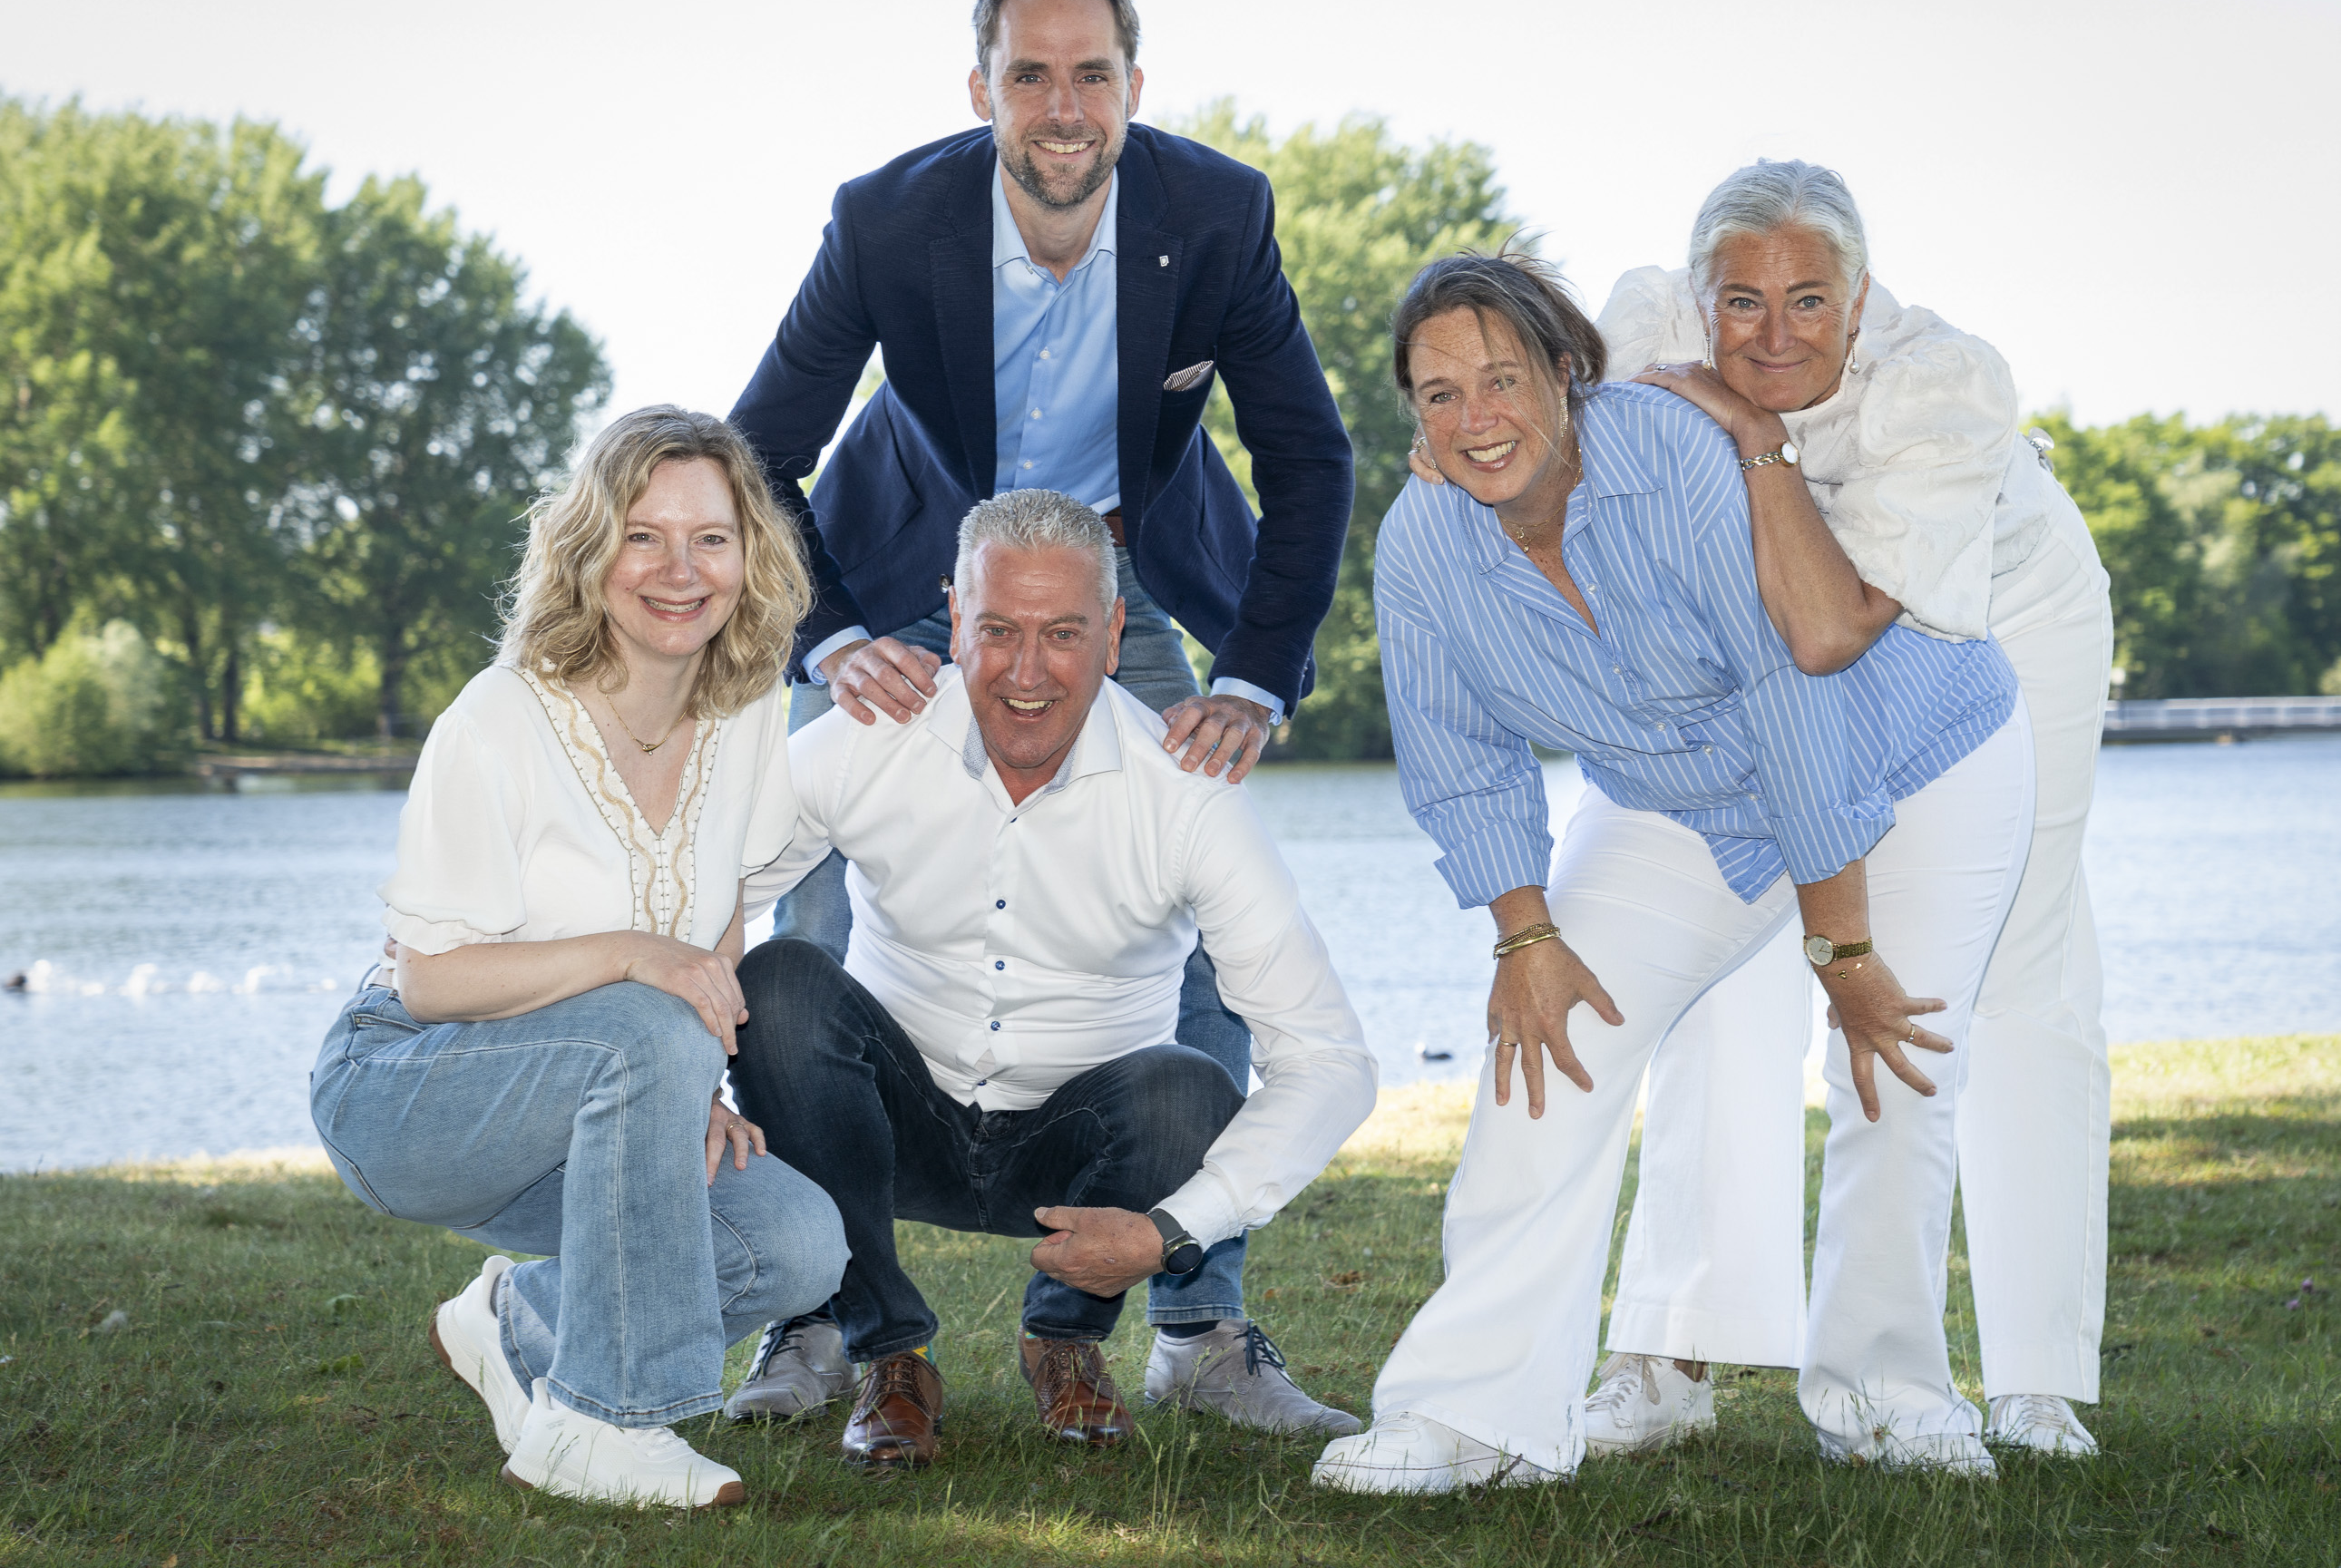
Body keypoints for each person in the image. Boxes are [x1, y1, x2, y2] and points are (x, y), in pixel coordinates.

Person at [723, 0, 1355, 1423]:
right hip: (911, 597)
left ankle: (1199, 1333)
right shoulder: (889, 221)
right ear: (981, 89)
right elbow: (757, 448)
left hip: (1111, 590)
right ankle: (825, 1325)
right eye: (1030, 74)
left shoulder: (1216, 214)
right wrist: (824, 641)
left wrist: (1256, 675)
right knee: (807, 938)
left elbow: (1310, 457)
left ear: (1134, 88)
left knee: (1199, 951)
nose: (1061, 108)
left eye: (1090, 74)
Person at [1313, 253, 2032, 1494]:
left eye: (1500, 378)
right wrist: (1526, 942)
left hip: (1907, 752)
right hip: (1682, 803)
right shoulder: (1423, 544)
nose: (1474, 418)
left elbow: (1786, 694)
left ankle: (1886, 1399)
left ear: (1566, 375)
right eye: (1437, 395)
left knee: (1892, 1066)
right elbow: (1462, 761)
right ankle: (1476, 1420)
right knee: (1546, 1054)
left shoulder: (1666, 457)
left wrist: (1843, 956)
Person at [1578, 159, 2114, 1457]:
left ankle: (1994, 1376)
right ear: (1698, 301)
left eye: (1808, 302)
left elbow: (1848, 624)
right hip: (1763, 636)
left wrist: (1749, 441)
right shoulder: (1637, 335)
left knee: (1994, 974)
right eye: (1741, 305)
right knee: (1716, 965)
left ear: (1861, 299)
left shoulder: (1944, 383)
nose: (1770, 336)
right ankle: (1674, 1348)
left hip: (1989, 623)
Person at [728, 490, 1379, 1469]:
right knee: (778, 981)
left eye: (1064, 633)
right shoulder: (870, 735)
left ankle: (1064, 1337)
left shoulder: (1185, 793)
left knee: (1188, 1088)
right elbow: (702, 900)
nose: (1027, 673)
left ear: (1115, 634)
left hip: (1079, 1154)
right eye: (997, 630)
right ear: (953, 619)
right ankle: (888, 1355)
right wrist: (689, 1084)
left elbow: (1329, 1058)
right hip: (886, 1125)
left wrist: (1171, 1229)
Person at [307, 408, 849, 1510]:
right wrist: (634, 969)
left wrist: (682, 1088)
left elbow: (721, 924)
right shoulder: (500, 718)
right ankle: (602, 1426)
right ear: (589, 549)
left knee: (795, 1245)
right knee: (646, 1021)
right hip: (411, 1082)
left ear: (751, 555)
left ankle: (518, 1324)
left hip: (603, 1090)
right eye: (642, 535)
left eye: (711, 537)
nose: (678, 570)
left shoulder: (746, 703)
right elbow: (432, 978)